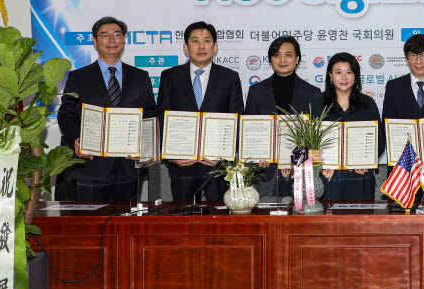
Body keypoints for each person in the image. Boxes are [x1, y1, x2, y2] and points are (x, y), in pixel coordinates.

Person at [56, 16, 158, 202]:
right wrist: (76, 139)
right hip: (91, 166)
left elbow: (150, 114)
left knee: (127, 226)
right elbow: (66, 113)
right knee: (91, 227)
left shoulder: (140, 77)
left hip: (129, 167)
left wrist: (147, 144)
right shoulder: (79, 77)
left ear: (124, 39)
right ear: (94, 41)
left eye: (117, 35)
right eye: (105, 35)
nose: (112, 40)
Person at [157, 21, 244, 201]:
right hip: (182, 164)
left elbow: (237, 118)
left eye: (207, 41)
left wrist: (225, 157)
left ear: (215, 47)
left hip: (217, 166)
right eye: (195, 41)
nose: (201, 46)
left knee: (219, 220)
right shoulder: (170, 76)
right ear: (186, 48)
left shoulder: (229, 78)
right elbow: (162, 117)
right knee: (183, 219)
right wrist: (170, 155)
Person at [244, 35, 319, 197]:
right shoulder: (256, 92)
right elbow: (248, 133)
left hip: (300, 171)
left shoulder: (312, 93)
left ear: (297, 59)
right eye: (277, 55)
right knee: (264, 220)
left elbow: (314, 138)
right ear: (270, 59)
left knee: (299, 220)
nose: (282, 60)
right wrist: (256, 156)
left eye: (288, 55)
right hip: (265, 170)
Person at [310, 53, 385, 201]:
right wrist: (319, 165)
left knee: (361, 222)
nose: (344, 78)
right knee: (329, 223)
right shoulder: (318, 102)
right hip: (328, 176)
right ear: (330, 75)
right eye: (338, 72)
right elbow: (309, 140)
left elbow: (379, 141)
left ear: (355, 76)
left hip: (360, 175)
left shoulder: (367, 103)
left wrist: (367, 161)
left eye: (349, 72)